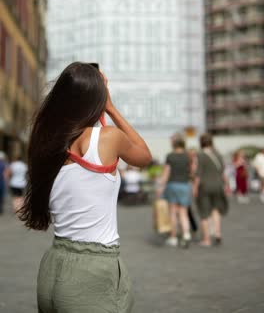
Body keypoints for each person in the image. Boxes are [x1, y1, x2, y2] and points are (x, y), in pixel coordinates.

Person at [19, 62, 152, 313]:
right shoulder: (107, 138)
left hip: (52, 268)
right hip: (92, 274)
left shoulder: (47, 145)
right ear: (97, 99)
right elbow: (144, 157)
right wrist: (110, 108)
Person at [157, 134, 192, 248]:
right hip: (185, 185)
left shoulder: (170, 156)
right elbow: (191, 171)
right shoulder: (188, 156)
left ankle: (173, 237)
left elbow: (166, 173)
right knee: (183, 212)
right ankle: (186, 235)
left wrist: (161, 187)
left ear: (174, 143)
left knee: (173, 212)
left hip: (173, 185)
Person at [194, 133, 229, 247]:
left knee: (204, 213)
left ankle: (207, 239)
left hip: (205, 186)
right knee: (216, 210)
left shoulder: (199, 155)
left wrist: (195, 188)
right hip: (218, 185)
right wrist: (227, 184)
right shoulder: (218, 154)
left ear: (201, 142)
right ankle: (218, 233)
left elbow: (198, 175)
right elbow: (223, 172)